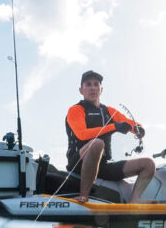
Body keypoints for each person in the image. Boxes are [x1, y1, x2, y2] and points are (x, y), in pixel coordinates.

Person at [65, 70, 156, 203]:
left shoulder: (109, 111)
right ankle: (83, 195)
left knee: (148, 164)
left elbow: (130, 123)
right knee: (97, 143)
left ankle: (135, 201)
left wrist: (138, 129)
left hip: (103, 165)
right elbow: (82, 135)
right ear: (81, 90)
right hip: (78, 162)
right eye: (88, 84)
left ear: (101, 89)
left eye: (96, 84)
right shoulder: (75, 110)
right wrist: (114, 127)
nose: (92, 87)